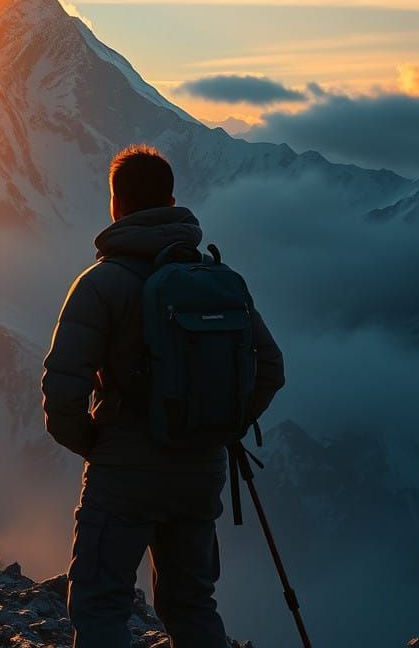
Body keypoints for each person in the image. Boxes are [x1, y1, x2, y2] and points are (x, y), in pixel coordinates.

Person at [41, 144, 285, 648]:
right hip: (200, 472)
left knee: (101, 602)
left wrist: (98, 445)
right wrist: (220, 427)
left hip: (124, 475)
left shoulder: (100, 285)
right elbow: (271, 369)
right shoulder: (216, 282)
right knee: (191, 603)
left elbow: (63, 395)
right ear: (172, 200)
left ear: (116, 205)